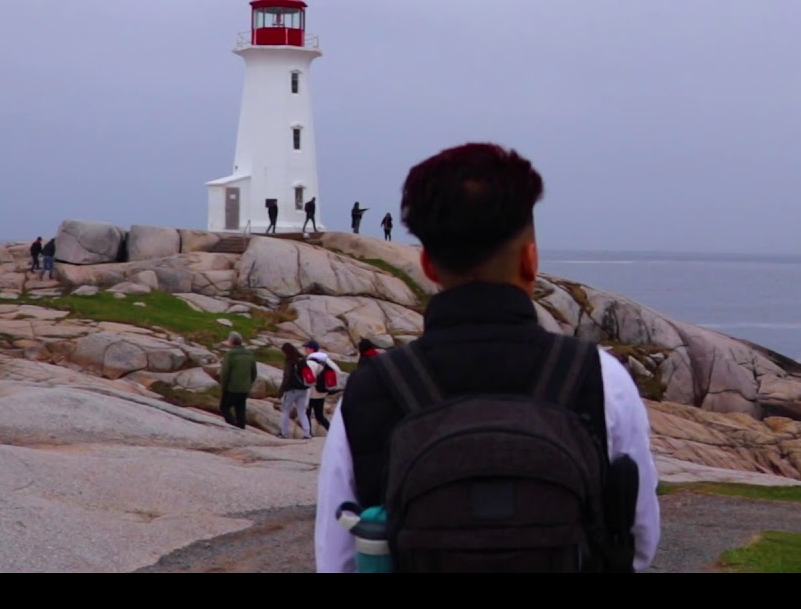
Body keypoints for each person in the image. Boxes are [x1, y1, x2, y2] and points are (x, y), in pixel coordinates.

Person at [314, 142, 660, 573]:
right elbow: (640, 542)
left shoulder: (371, 390)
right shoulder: (600, 378)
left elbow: (337, 561)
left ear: (427, 265)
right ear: (531, 260)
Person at [219, 331, 257, 429]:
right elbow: (254, 372)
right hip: (244, 389)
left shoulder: (230, 354)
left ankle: (233, 427)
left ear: (231, 342)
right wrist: (248, 384)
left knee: (224, 407)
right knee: (240, 410)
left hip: (232, 388)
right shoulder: (249, 354)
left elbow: (225, 373)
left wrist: (224, 387)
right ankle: (241, 428)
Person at [277, 342, 313, 439]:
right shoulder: (302, 359)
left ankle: (284, 433)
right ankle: (307, 433)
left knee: (285, 410)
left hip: (291, 390)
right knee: (301, 411)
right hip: (303, 389)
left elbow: (287, 377)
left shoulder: (290, 361)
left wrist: (281, 391)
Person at [302, 339, 339, 432]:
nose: (305, 350)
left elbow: (309, 380)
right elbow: (337, 371)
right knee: (319, 415)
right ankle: (331, 431)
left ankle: (308, 433)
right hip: (323, 392)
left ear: (311, 349)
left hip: (313, 393)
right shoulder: (326, 360)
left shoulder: (310, 362)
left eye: (306, 348)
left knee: (307, 413)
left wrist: (306, 396)